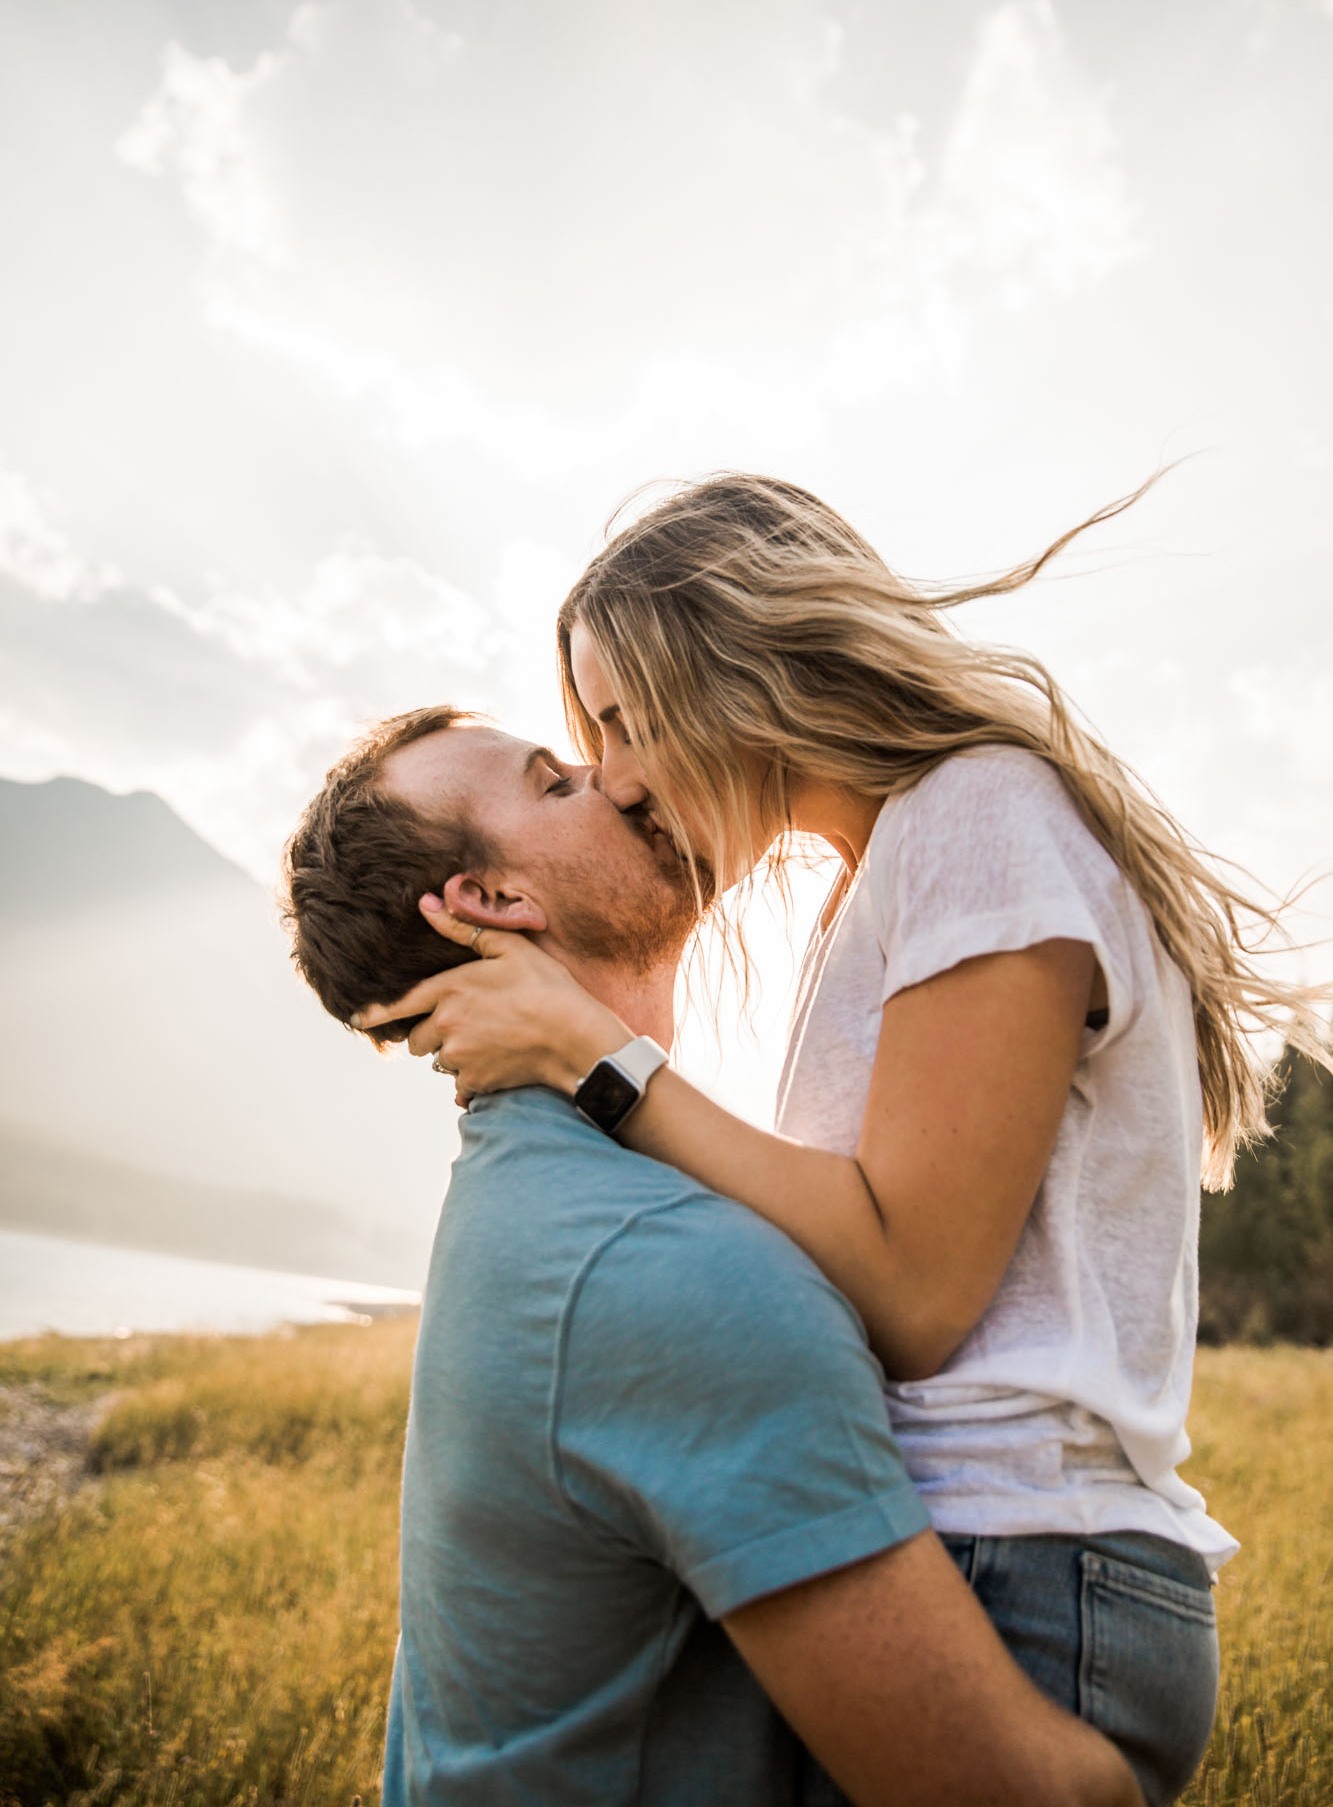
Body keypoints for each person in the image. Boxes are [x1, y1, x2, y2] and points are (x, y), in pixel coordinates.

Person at [357, 474, 1331, 1806]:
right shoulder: (898, 865)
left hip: (1026, 1560)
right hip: (991, 1554)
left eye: (628, 722)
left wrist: (600, 1062)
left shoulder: (978, 815)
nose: (625, 780)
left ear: (742, 664)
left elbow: (918, 1294)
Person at [282, 704, 1142, 1807]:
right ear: (494, 903)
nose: (623, 778)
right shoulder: (660, 1264)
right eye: (557, 780)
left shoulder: (550, 1196)